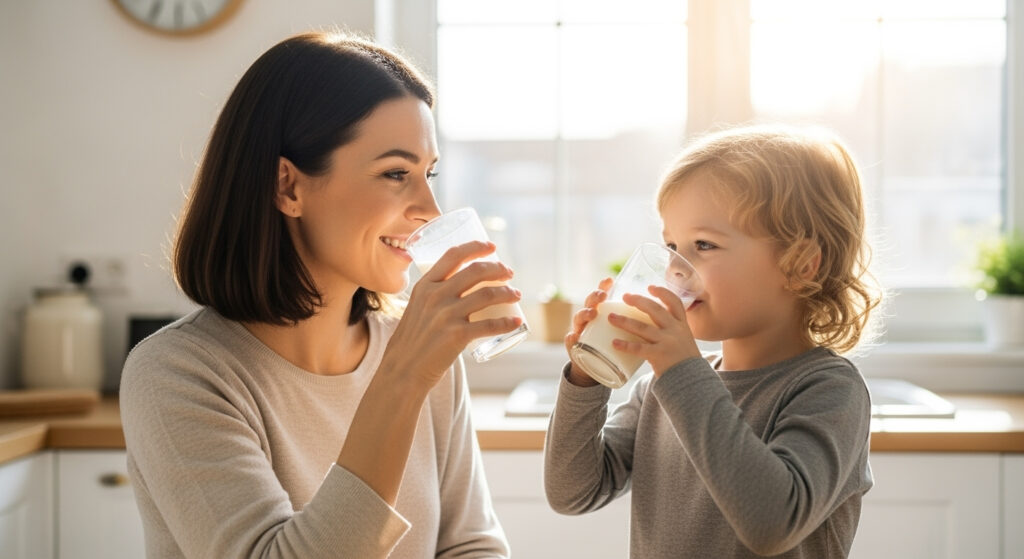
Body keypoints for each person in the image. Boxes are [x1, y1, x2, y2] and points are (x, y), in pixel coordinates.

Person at [120, 31, 519, 559]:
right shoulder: (177, 373)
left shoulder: (421, 354)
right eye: (396, 173)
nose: (430, 208)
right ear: (288, 186)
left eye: (429, 174)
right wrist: (402, 378)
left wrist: (412, 366)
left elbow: (471, 545)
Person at [544, 124, 882, 558]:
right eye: (671, 244)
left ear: (800, 266)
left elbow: (772, 523)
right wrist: (586, 377)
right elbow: (571, 491)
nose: (676, 268)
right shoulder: (659, 392)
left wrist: (680, 370)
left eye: (703, 244)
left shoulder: (829, 391)